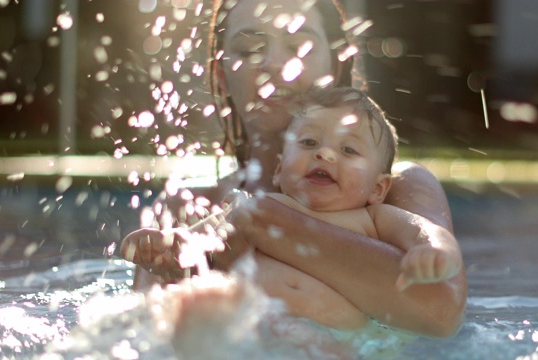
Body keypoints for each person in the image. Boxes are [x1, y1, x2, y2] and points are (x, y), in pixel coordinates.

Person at [128, 0, 466, 337]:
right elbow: (145, 339)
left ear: (336, 62)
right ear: (221, 73)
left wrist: (262, 222)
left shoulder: (398, 189)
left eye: (298, 45)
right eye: (249, 49)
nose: (274, 64)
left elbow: (440, 312)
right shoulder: (185, 206)